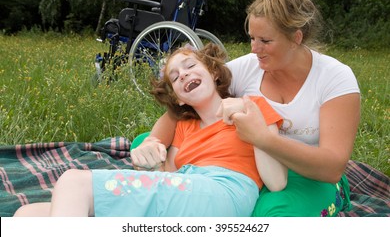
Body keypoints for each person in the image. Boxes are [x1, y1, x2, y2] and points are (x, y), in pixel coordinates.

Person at [132, 0, 361, 217]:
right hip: (252, 169)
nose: (254, 48)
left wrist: (264, 139)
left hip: (309, 176)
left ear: (296, 38)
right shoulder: (247, 68)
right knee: (143, 143)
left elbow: (332, 167)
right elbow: (181, 110)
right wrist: (150, 143)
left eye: (265, 40)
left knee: (273, 216)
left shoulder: (335, 78)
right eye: (252, 37)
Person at [14, 43, 286, 217]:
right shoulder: (183, 127)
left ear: (214, 72)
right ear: (178, 98)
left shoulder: (252, 105)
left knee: (73, 182)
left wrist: (250, 120)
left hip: (223, 192)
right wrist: (148, 160)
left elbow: (277, 182)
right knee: (27, 216)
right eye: (176, 77)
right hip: (186, 194)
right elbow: (168, 178)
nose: (184, 75)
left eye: (190, 66)